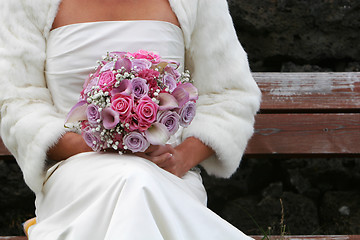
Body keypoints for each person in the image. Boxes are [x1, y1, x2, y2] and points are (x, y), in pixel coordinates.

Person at [0, 0, 261, 239]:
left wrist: (181, 158)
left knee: (139, 183)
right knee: (133, 180)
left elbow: (230, 95)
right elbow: (17, 103)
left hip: (166, 177)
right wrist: (94, 145)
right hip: (76, 174)